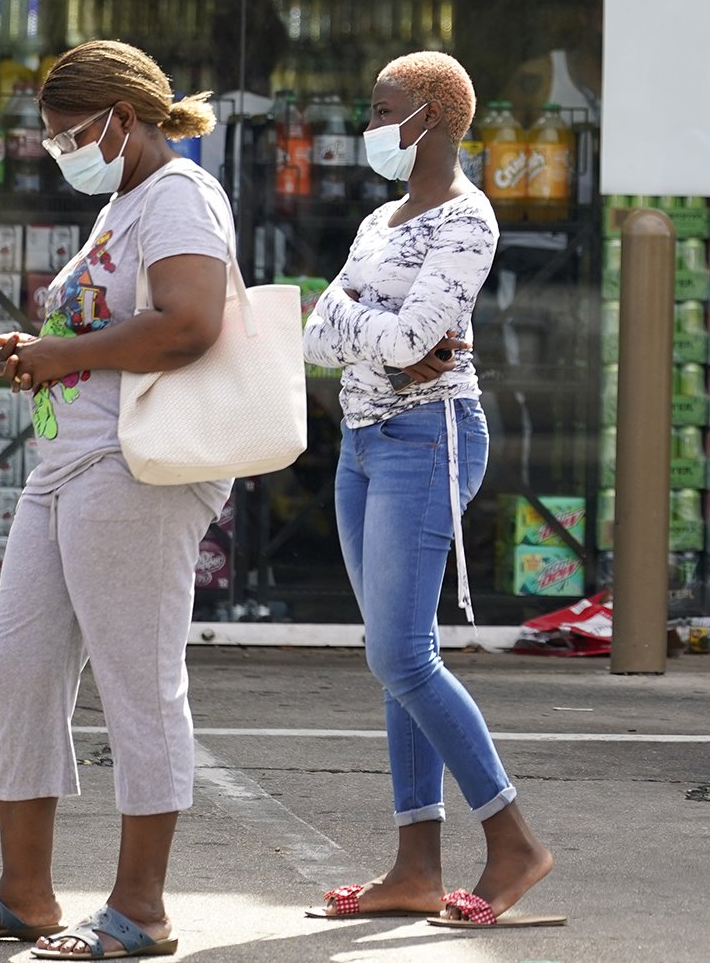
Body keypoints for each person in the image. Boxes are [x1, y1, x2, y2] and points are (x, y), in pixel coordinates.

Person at [0, 41, 235, 958]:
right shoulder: (124, 201)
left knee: (139, 680)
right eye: (53, 139)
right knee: (15, 659)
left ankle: (141, 909)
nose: (62, 151)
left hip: (134, 467)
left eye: (71, 135)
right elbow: (114, 319)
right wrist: (49, 346)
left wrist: (64, 354)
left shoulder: (177, 193)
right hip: (74, 466)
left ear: (122, 120)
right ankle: (25, 892)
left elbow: (191, 320)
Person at [300, 52, 557, 930]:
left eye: (384, 107)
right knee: (394, 657)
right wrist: (385, 339)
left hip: (431, 436)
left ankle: (514, 838)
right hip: (364, 440)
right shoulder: (377, 220)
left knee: (402, 655)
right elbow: (314, 331)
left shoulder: (468, 218)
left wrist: (369, 330)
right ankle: (415, 866)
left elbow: (412, 332)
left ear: (437, 116)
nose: (369, 123)